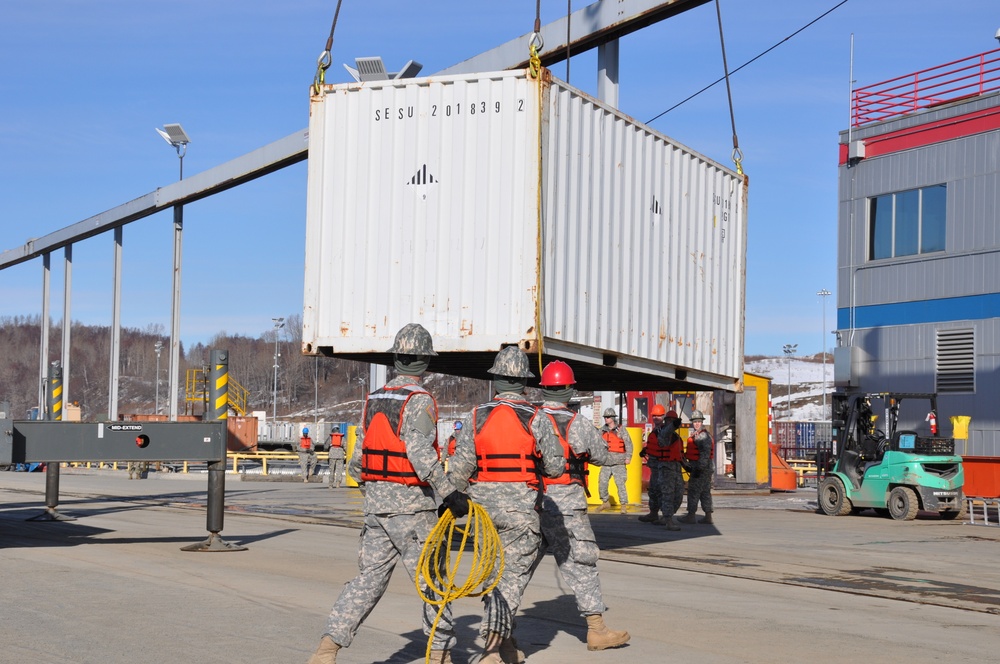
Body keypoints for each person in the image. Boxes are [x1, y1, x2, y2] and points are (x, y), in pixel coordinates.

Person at [308, 323, 469, 664]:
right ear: (425, 361)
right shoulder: (419, 399)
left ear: (396, 358)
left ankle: (327, 648)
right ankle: (439, 654)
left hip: (376, 508)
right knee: (433, 584)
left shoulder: (375, 398)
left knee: (368, 581)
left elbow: (356, 462)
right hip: (411, 508)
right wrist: (449, 494)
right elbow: (420, 452)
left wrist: (375, 491)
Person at [447, 346, 564, 664]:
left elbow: (459, 471)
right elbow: (555, 467)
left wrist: (448, 501)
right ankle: (491, 649)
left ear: (497, 380)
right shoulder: (536, 418)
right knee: (510, 579)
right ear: (524, 382)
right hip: (519, 513)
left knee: (492, 576)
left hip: (481, 513)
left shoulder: (475, 416)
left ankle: (506, 644)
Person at [528, 361, 630, 652]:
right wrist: (621, 459)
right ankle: (597, 631)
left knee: (516, 568)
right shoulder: (579, 423)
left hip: (532, 499)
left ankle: (498, 635)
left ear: (544, 388)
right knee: (581, 563)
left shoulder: (530, 419)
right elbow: (599, 455)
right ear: (570, 389)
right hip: (567, 503)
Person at [679, 410, 715, 525]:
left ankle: (691, 516)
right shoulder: (699, 435)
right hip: (703, 467)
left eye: (699, 422)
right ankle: (708, 516)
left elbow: (705, 453)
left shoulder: (702, 436)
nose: (696, 424)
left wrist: (699, 468)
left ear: (702, 422)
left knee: (693, 491)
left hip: (700, 467)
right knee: (705, 491)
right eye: (695, 422)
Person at [637, 404, 670, 525]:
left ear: (663, 417)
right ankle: (653, 513)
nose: (656, 418)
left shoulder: (664, 431)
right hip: (654, 465)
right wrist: (646, 450)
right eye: (654, 416)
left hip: (662, 465)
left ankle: (664, 516)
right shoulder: (655, 430)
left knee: (661, 490)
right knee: (653, 490)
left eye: (659, 416)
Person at [597, 408, 632, 514]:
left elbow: (629, 444)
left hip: (619, 462)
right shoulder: (601, 431)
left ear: (612, 418)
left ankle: (623, 505)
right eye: (605, 417)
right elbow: (597, 444)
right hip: (606, 462)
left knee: (620, 483)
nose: (606, 419)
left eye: (607, 417)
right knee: (602, 482)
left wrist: (628, 457)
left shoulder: (621, 430)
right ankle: (605, 501)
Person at [656, 410, 686, 531]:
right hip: (666, 468)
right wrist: (673, 426)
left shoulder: (677, 437)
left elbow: (680, 454)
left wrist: (686, 466)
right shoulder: (663, 433)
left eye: (672, 421)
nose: (670, 422)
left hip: (677, 468)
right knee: (668, 495)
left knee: (679, 494)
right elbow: (665, 433)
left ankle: (667, 516)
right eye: (668, 420)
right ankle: (668, 520)